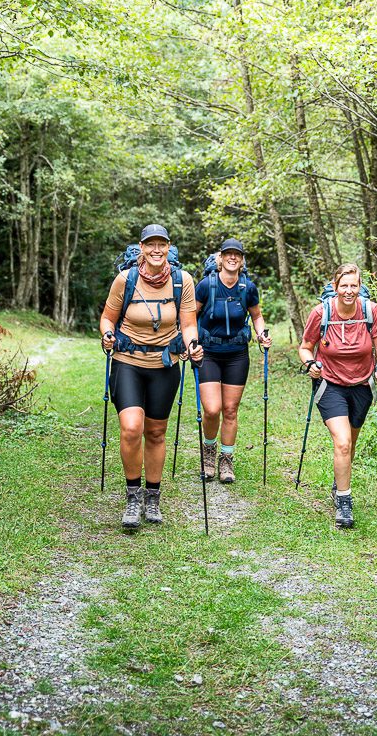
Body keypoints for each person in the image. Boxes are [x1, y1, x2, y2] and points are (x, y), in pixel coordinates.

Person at [100, 224, 203, 530]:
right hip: (128, 362)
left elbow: (188, 324)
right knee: (132, 428)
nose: (157, 250)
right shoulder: (125, 279)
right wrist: (107, 334)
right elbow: (108, 317)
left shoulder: (182, 281)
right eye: (151, 244)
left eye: (162, 244)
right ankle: (133, 496)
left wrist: (193, 345)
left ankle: (153, 497)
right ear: (142, 248)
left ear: (169, 247)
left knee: (156, 432)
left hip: (165, 365)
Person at [298, 263, 377, 529]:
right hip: (330, 385)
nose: (349, 291)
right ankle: (344, 501)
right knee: (342, 443)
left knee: (350, 443)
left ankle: (339, 483)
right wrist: (310, 364)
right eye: (344, 286)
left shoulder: (371, 311)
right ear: (335, 287)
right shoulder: (321, 313)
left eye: (354, 286)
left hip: (362, 386)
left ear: (360, 287)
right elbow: (305, 347)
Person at [195, 238, 272, 483]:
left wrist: (261, 334)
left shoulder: (248, 288)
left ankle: (226, 460)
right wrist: (189, 342)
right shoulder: (206, 286)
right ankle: (209, 452)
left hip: (237, 354)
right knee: (211, 409)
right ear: (220, 257)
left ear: (242, 259)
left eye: (237, 254)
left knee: (230, 410)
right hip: (209, 353)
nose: (232, 257)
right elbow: (190, 315)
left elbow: (256, 315)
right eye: (228, 253)